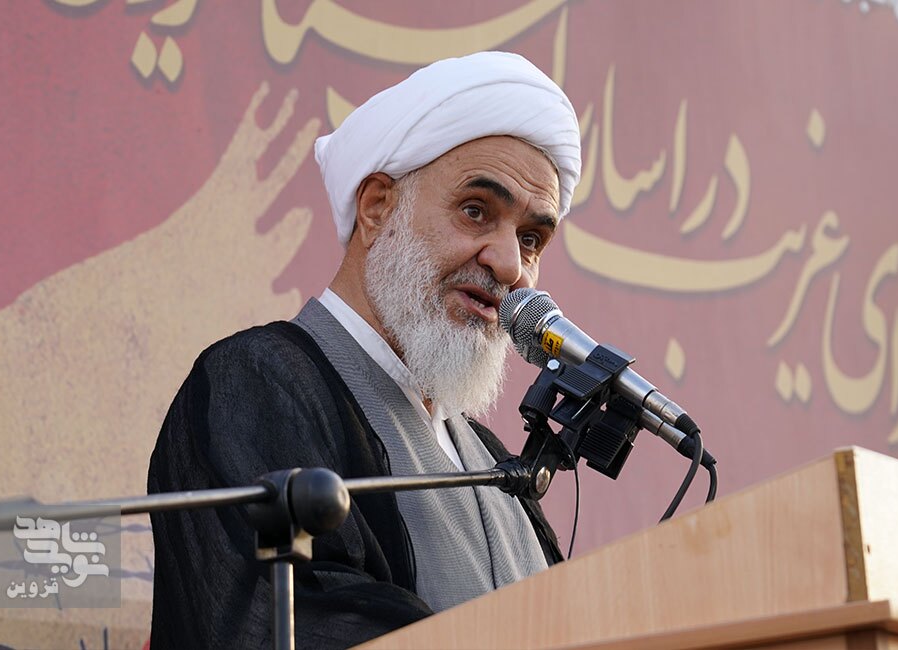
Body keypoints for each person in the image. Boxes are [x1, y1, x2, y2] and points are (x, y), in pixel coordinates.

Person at [147, 51, 582, 649]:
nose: (509, 265)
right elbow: (300, 622)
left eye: (530, 239)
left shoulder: (490, 458)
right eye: (475, 211)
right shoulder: (256, 383)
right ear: (377, 206)